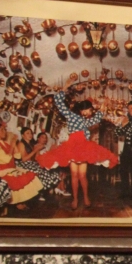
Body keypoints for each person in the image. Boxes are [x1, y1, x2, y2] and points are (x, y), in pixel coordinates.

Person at [37, 81, 118, 210]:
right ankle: (75, 199)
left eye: (90, 110)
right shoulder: (71, 116)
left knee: (82, 176)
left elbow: (98, 117)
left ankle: (85, 197)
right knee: (75, 175)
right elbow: (58, 102)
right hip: (72, 147)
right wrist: (65, 87)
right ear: (82, 109)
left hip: (83, 148)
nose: (89, 112)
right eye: (88, 110)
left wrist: (102, 106)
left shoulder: (87, 121)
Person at [0, 121, 43, 211]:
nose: (5, 131)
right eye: (2, 130)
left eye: (4, 129)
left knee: (29, 176)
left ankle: (17, 203)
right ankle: (12, 204)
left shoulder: (4, 143)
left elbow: (17, 156)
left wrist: (14, 145)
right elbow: (6, 159)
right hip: (1, 170)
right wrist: (12, 145)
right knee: (16, 181)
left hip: (10, 168)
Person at [15, 127, 63, 194]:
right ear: (22, 135)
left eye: (31, 133)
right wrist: (35, 150)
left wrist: (38, 151)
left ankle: (43, 191)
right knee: (42, 171)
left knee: (49, 170)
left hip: (31, 163)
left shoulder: (31, 144)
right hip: (23, 164)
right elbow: (23, 159)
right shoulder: (21, 144)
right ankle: (40, 192)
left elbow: (35, 158)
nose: (30, 135)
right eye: (27, 133)